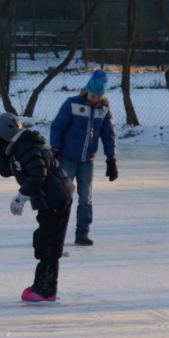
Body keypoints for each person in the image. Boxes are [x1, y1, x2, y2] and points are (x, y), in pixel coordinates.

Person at [0, 113, 74, 303]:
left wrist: (22, 195)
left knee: (49, 243)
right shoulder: (17, 147)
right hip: (49, 199)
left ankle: (45, 289)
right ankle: (45, 287)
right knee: (44, 241)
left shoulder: (27, 146)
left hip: (56, 198)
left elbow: (38, 173)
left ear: (3, 137)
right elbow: (6, 171)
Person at [49, 69, 118, 246]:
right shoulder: (72, 104)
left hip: (88, 160)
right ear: (86, 90)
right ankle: (54, 233)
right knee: (62, 195)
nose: (94, 99)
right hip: (68, 157)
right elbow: (57, 127)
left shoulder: (104, 108)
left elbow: (108, 134)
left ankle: (82, 233)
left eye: (98, 96)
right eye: (92, 95)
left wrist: (111, 159)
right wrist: (55, 150)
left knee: (86, 198)